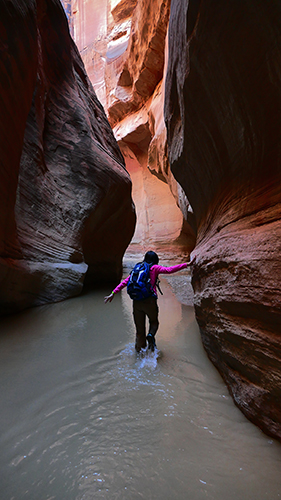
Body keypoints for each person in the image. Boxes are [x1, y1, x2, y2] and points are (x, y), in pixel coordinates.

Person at [104, 251, 193, 352]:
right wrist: (187, 264)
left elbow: (126, 281)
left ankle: (139, 353)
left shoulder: (138, 268)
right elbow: (169, 270)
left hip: (136, 302)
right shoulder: (155, 268)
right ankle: (151, 335)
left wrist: (113, 293)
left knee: (139, 331)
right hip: (150, 301)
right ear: (155, 260)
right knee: (154, 322)